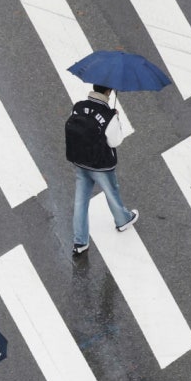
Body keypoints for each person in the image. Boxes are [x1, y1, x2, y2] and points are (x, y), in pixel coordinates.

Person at [67, 84, 139, 256]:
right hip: (101, 165)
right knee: (112, 193)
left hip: (81, 161)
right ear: (109, 91)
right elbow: (115, 141)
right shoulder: (108, 116)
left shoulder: (78, 107)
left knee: (80, 202)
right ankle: (123, 220)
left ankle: (80, 241)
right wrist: (116, 120)